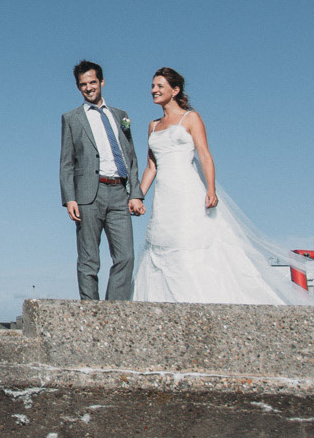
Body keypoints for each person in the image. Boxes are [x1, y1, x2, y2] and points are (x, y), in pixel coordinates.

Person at [133, 68, 308, 305]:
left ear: (174, 91)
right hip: (164, 195)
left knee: (188, 242)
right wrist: (138, 196)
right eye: (153, 86)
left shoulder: (190, 118)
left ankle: (196, 301)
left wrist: (211, 189)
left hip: (186, 190)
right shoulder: (153, 126)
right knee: (162, 244)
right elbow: (151, 167)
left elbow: (205, 155)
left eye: (160, 86)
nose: (154, 90)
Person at [60, 60, 145, 300]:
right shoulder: (71, 118)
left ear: (102, 82)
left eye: (92, 82)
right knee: (89, 259)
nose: (88, 88)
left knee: (126, 256)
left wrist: (135, 193)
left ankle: (113, 312)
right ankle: (90, 312)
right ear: (78, 87)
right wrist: (69, 199)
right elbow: (66, 162)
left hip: (119, 192)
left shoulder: (121, 116)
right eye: (83, 84)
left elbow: (131, 157)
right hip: (88, 195)